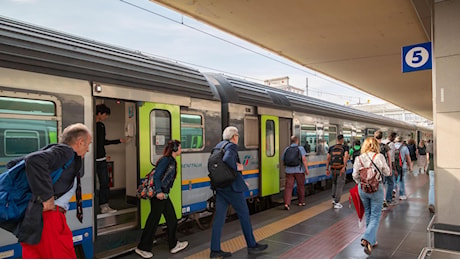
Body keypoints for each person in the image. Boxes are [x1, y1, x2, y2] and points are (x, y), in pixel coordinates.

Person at [19, 123, 92, 258]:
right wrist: (47, 197)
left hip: (37, 216)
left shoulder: (59, 155)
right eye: (88, 144)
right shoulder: (66, 152)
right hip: (49, 218)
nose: (88, 149)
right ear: (80, 142)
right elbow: (33, 160)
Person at [210, 126, 268, 258]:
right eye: (238, 135)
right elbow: (228, 161)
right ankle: (252, 245)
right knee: (244, 215)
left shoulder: (218, 146)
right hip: (232, 188)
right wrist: (238, 166)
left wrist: (240, 178)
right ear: (234, 136)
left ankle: (215, 250)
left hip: (221, 187)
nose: (238, 138)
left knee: (219, 219)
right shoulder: (231, 146)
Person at [135, 140, 188, 258]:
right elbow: (157, 176)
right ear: (174, 149)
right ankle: (142, 247)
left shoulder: (171, 161)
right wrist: (159, 192)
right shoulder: (166, 160)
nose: (181, 150)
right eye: (179, 148)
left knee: (171, 219)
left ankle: (173, 244)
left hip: (163, 195)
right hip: (159, 195)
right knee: (154, 220)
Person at [352, 137, 391, 255]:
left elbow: (355, 175)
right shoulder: (379, 157)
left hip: (363, 189)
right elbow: (387, 172)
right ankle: (367, 238)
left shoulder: (359, 158)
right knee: (375, 215)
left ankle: (372, 241)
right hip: (376, 188)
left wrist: (362, 182)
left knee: (368, 213)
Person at [95, 104, 127, 214]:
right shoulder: (91, 125)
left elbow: (102, 142)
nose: (106, 117)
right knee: (93, 184)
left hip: (101, 159)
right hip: (92, 160)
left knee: (105, 183)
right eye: (105, 115)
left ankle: (104, 205)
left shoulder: (101, 126)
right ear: (99, 114)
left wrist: (118, 141)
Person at [282, 136, 310, 210]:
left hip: (289, 171)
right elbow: (304, 159)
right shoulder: (300, 148)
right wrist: (306, 169)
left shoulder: (287, 149)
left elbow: (283, 159)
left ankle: (286, 203)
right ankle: (301, 202)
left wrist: (286, 168)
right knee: (300, 186)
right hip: (299, 171)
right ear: (297, 141)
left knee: (288, 187)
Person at [326, 134, 349, 209]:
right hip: (340, 169)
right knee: (340, 185)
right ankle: (337, 202)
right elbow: (345, 157)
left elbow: (328, 158)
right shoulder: (345, 147)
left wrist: (327, 169)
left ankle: (333, 199)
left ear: (337, 139)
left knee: (334, 183)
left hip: (333, 168)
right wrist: (344, 167)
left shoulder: (331, 148)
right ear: (342, 140)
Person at [374, 130, 393, 208]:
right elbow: (389, 157)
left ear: (375, 137)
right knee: (383, 183)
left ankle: (378, 201)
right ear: (382, 137)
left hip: (374, 168)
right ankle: (383, 199)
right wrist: (390, 168)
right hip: (383, 167)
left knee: (375, 184)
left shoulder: (373, 146)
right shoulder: (385, 146)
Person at [394, 136, 412, 200]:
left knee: (394, 179)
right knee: (401, 180)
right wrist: (410, 167)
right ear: (402, 141)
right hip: (402, 166)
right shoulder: (404, 148)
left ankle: (393, 189)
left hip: (394, 166)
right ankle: (402, 195)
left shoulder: (392, 146)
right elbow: (408, 158)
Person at [382, 132, 397, 204]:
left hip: (380, 166)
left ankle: (382, 200)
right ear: (393, 137)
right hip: (387, 166)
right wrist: (393, 168)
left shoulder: (382, 142)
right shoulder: (391, 144)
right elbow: (391, 158)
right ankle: (389, 199)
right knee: (390, 183)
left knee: (382, 183)